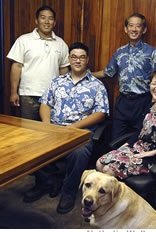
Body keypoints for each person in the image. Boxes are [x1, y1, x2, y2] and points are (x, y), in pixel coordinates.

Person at [23, 42, 109, 214]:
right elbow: (45, 104)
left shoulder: (96, 85)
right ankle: (45, 182)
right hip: (54, 129)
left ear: (87, 60)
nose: (78, 60)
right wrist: (47, 125)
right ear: (69, 59)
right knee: (33, 145)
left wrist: (73, 127)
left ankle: (68, 192)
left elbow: (101, 113)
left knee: (79, 153)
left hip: (79, 132)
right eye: (74, 57)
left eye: (82, 57)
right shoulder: (57, 81)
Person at [96, 68, 156, 180]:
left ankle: (117, 196)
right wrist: (125, 146)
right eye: (153, 84)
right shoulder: (150, 106)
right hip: (136, 149)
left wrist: (154, 152)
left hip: (154, 158)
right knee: (99, 163)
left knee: (108, 170)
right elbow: (139, 131)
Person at [93, 13, 156, 140]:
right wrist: (87, 74)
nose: (134, 29)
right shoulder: (119, 52)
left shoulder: (151, 52)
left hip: (144, 101)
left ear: (144, 30)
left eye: (138, 26)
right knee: (116, 140)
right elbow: (107, 72)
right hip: (123, 103)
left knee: (139, 140)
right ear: (126, 29)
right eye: (131, 25)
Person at [6, 5, 70, 120]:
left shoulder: (61, 43)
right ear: (36, 21)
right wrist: (13, 92)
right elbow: (16, 66)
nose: (47, 21)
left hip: (52, 96)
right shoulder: (24, 40)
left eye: (50, 18)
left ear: (54, 22)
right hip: (28, 95)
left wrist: (63, 93)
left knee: (50, 131)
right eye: (43, 18)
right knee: (29, 130)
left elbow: (64, 70)